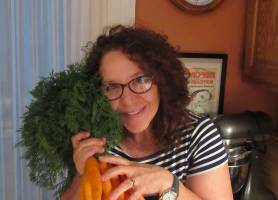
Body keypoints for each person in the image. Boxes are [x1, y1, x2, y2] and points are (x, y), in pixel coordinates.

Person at [61, 25, 233, 200]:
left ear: (163, 81)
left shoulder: (199, 136)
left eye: (140, 80)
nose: (127, 101)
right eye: (111, 87)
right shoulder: (96, 140)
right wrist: (82, 173)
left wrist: (169, 186)